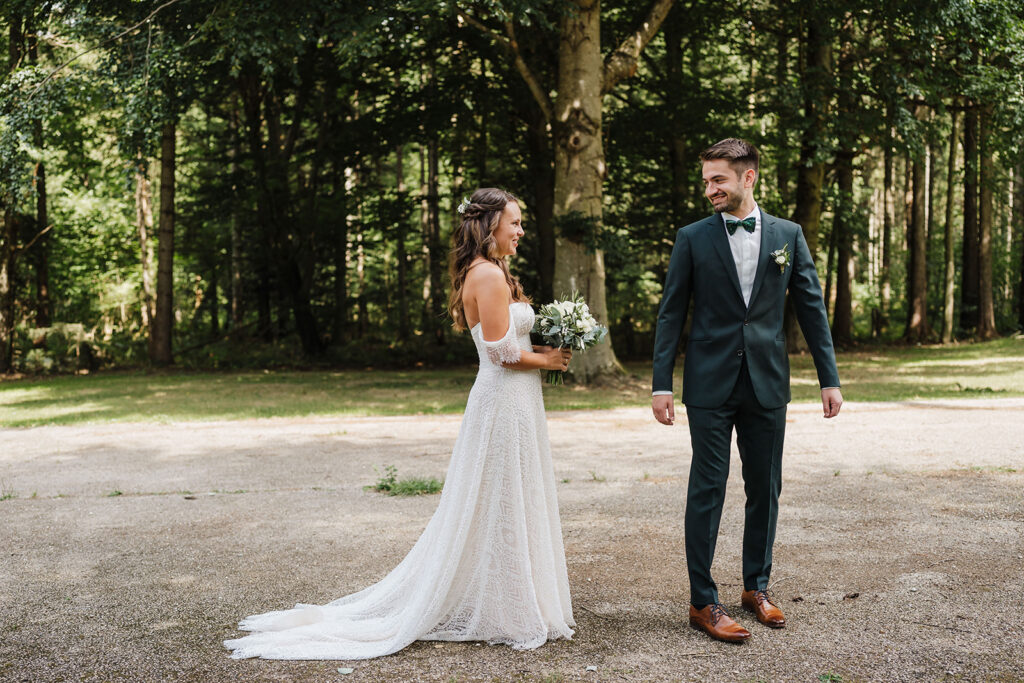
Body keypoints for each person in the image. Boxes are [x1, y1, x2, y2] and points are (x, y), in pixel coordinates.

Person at [225, 187, 575, 660]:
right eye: (514, 223)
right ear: (490, 225)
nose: (520, 231)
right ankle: (510, 608)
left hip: (515, 402)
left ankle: (508, 600)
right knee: (499, 498)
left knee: (507, 498)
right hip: (502, 402)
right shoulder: (488, 275)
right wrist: (550, 359)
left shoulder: (494, 272)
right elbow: (502, 352)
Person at [651, 139, 842, 643]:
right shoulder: (692, 237)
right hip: (709, 385)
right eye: (706, 180)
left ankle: (755, 587)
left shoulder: (788, 234)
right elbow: (671, 311)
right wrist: (660, 384)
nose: (709, 189)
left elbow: (811, 308)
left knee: (766, 487)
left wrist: (829, 378)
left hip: (767, 383)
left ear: (748, 178)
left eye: (719, 180)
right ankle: (702, 600)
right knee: (707, 489)